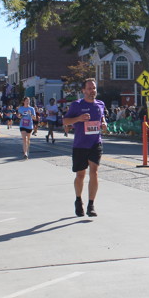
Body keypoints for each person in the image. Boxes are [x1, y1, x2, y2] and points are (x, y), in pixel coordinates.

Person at [63, 78, 106, 217]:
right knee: (80, 174)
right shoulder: (77, 105)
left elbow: (102, 117)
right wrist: (78, 119)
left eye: (94, 88)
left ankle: (91, 205)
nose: (92, 91)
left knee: (94, 172)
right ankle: (78, 200)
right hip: (80, 144)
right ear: (83, 90)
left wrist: (104, 123)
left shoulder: (100, 104)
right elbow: (65, 121)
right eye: (89, 88)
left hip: (95, 143)